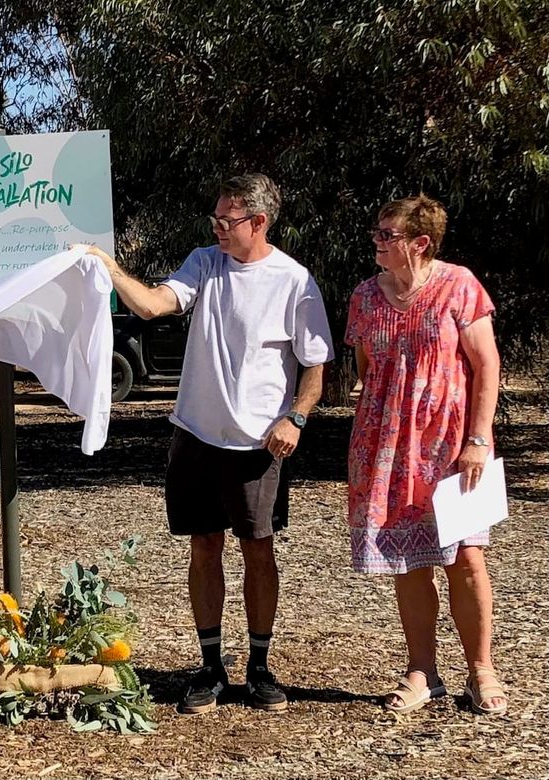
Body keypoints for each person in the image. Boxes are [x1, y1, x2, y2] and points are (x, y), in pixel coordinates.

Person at [87, 173, 333, 713]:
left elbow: (316, 367)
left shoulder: (295, 281)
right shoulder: (205, 262)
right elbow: (153, 305)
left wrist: (295, 417)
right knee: (203, 547)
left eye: (228, 220)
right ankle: (210, 666)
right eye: (215, 219)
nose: (218, 229)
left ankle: (261, 666)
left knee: (258, 549)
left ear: (259, 222)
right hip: (195, 435)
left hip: (257, 446)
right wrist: (106, 266)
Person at [345, 194, 506, 715]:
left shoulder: (459, 286)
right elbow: (368, 369)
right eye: (376, 232)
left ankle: (481, 670)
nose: (377, 241)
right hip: (386, 447)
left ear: (420, 243)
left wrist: (478, 439)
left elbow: (487, 366)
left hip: (451, 447)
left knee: (466, 559)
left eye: (386, 235)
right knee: (407, 562)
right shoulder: (365, 297)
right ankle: (423, 672)